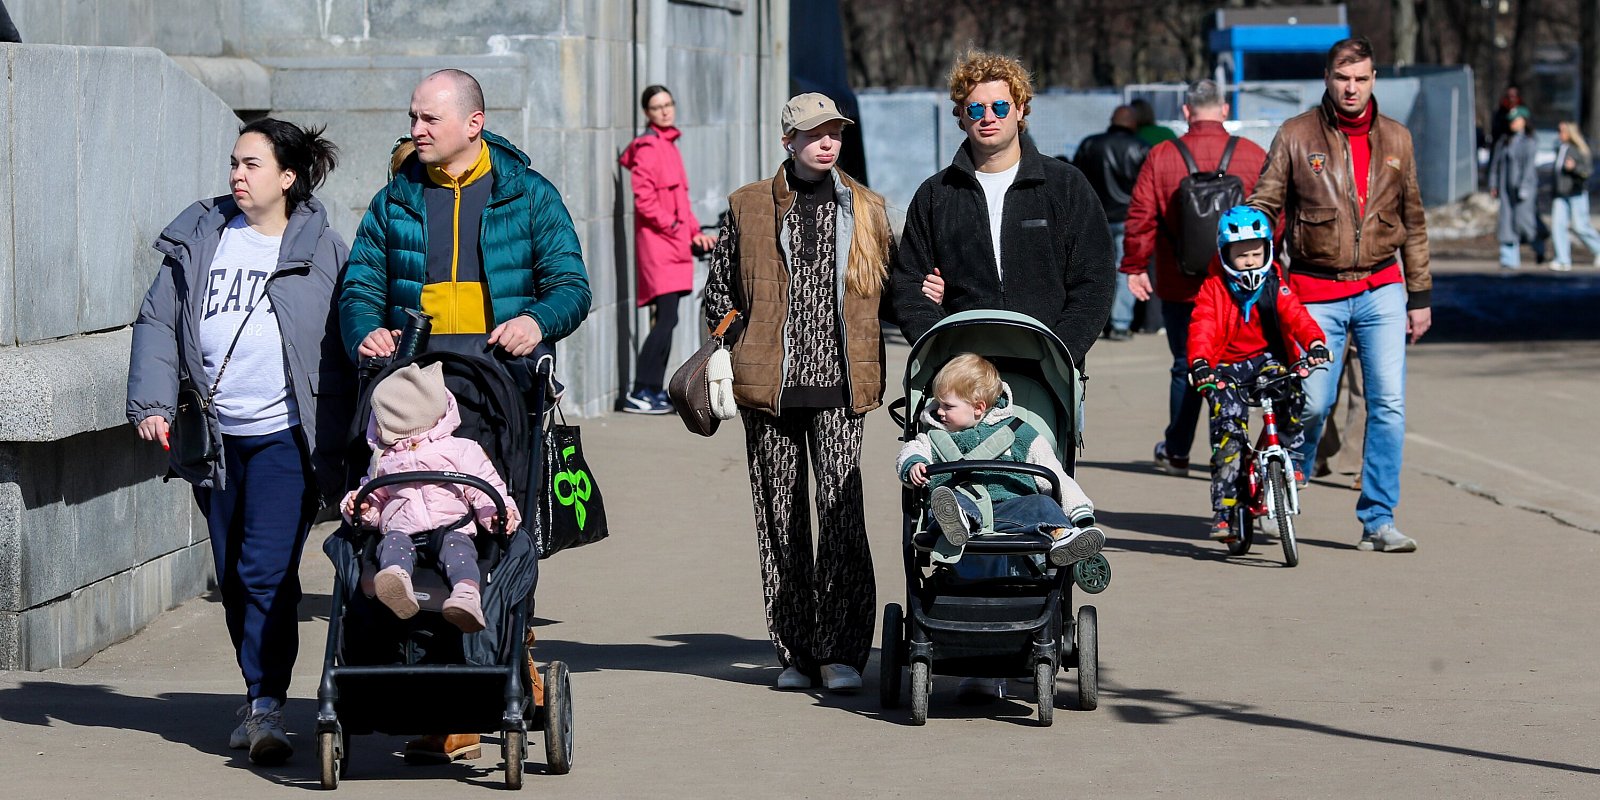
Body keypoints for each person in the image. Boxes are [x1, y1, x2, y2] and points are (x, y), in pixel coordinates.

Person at [339, 68, 591, 764]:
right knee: (405, 531)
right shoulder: (395, 201)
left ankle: (501, 668)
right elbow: (359, 285)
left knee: (484, 539)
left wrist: (537, 322)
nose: (415, 130)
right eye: (412, 117)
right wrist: (365, 328)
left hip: (497, 400)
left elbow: (572, 284)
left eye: (428, 119)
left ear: (473, 123)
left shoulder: (528, 196)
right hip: (411, 401)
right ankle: (433, 695)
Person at [127, 119, 350, 766]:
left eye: (252, 164)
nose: (236, 174)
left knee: (264, 569)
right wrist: (150, 401)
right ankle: (258, 692)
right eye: (233, 162)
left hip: (286, 436)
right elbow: (157, 320)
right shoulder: (200, 237)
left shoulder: (324, 249)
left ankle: (266, 703)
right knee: (232, 574)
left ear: (288, 177)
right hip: (214, 438)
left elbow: (345, 333)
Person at [702, 92, 892, 694]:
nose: (827, 142)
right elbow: (719, 295)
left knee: (841, 522)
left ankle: (841, 652)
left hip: (841, 387)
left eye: (835, 131)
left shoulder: (867, 207)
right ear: (788, 141)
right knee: (780, 521)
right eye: (814, 133)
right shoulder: (748, 205)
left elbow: (891, 292)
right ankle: (795, 651)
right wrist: (728, 350)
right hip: (770, 390)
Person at [1248, 36, 1433, 553]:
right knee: (1311, 402)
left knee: (1389, 405)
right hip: (1313, 288)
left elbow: (1414, 222)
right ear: (1327, 79)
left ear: (1374, 80)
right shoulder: (1295, 133)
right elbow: (1265, 200)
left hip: (1382, 287)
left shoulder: (1397, 139)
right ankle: (1285, 479)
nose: (1351, 88)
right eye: (1342, 78)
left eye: (1361, 79)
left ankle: (1378, 520)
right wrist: (1253, 246)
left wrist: (1419, 296)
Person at [893, 49, 1115, 368]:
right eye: (975, 108)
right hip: (962, 378)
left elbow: (1094, 278)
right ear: (960, 114)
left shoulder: (1065, 185)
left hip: (1050, 372)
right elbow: (909, 286)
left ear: (1020, 109)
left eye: (1000, 106)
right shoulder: (935, 195)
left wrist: (1059, 353)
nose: (988, 118)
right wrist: (944, 353)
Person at [1121, 79, 1269, 479]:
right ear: (1223, 110)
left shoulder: (1163, 156)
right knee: (1240, 364)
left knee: (1187, 364)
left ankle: (1178, 450)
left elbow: (1141, 217)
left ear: (1186, 112)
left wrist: (1135, 266)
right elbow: (1277, 215)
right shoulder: (1253, 156)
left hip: (1180, 282)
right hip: (1243, 286)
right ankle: (1240, 450)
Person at [342, 362, 522, 633]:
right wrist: (362, 507)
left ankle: (466, 596)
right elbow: (375, 500)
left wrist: (498, 515)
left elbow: (486, 489)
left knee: (459, 553)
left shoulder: (461, 450)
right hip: (402, 530)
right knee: (391, 545)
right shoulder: (384, 459)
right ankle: (397, 582)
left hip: (452, 528)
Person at [1186, 207, 1329, 540]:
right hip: (1225, 367)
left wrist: (1316, 343)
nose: (1250, 261)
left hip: (1266, 360)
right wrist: (1201, 362)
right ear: (1224, 254)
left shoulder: (1275, 282)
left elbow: (1297, 316)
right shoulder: (1213, 288)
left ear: (1267, 251)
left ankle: (1290, 460)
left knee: (1293, 393)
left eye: (1255, 253)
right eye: (1241, 255)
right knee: (1228, 431)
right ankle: (1224, 510)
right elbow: (1202, 327)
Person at [896, 353, 1104, 566]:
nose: (939, 411)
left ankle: (1064, 536)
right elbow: (912, 449)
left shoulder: (1019, 433)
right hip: (959, 503)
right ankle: (960, 522)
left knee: (1043, 504)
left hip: (1010, 508)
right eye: (938, 403)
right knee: (946, 502)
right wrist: (914, 464)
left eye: (947, 406)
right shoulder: (934, 436)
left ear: (978, 407)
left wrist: (1079, 510)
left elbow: (1052, 470)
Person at [618, 84, 718, 413]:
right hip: (660, 247)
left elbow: (681, 202)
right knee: (665, 319)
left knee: (669, 319)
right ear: (647, 113)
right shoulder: (647, 148)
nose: (665, 110)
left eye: (668, 104)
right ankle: (640, 391)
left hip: (675, 246)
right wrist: (677, 229)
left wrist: (694, 233)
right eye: (657, 107)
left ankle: (653, 390)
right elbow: (645, 201)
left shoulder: (669, 145)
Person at [1073, 105, 1150, 341]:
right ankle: (1120, 323)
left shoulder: (1090, 144)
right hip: (1129, 218)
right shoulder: (1141, 148)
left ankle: (1095, 322)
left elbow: (1076, 178)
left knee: (1096, 270)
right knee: (1125, 269)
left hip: (1096, 216)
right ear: (1133, 124)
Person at [1489, 105, 1547, 269]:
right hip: (1506, 188)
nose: (1512, 123)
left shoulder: (1530, 140)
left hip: (1524, 188)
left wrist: (1524, 186)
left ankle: (1538, 244)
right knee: (1506, 221)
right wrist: (1494, 184)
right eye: (1511, 121)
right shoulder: (1504, 141)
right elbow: (1495, 165)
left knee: (1524, 221)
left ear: (1524, 121)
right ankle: (1509, 259)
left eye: (1516, 120)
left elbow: (1529, 167)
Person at [1549, 120, 1600, 271]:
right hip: (1560, 193)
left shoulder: (1579, 149)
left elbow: (1587, 172)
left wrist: (1574, 168)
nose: (1559, 134)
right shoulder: (1560, 148)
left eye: (1562, 131)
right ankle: (1563, 259)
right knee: (1558, 226)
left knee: (1580, 226)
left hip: (1575, 192)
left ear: (1570, 133)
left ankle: (1598, 248)